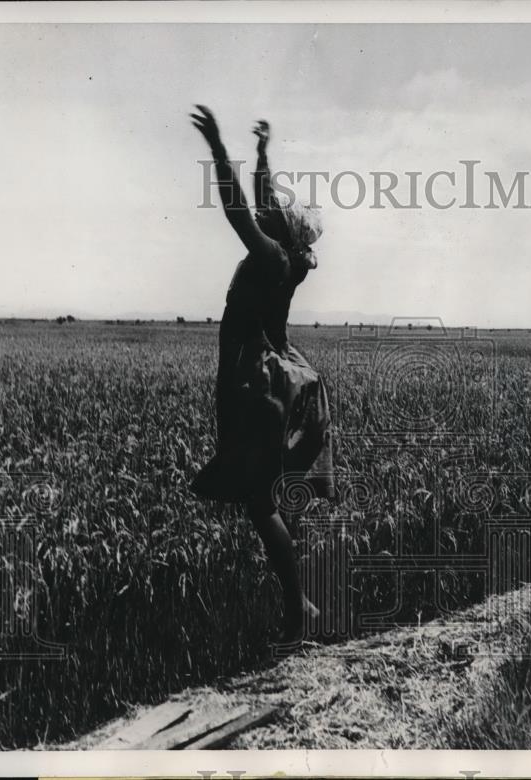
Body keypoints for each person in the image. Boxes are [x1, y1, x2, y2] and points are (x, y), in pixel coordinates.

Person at [189, 105, 333, 645]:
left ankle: (298, 618)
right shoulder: (289, 258)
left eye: (275, 209)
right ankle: (302, 605)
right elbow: (264, 197)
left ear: (281, 229)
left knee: (259, 503)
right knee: (260, 497)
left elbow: (237, 211)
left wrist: (220, 149)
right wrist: (264, 154)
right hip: (268, 380)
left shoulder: (271, 256)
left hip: (252, 384)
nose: (269, 207)